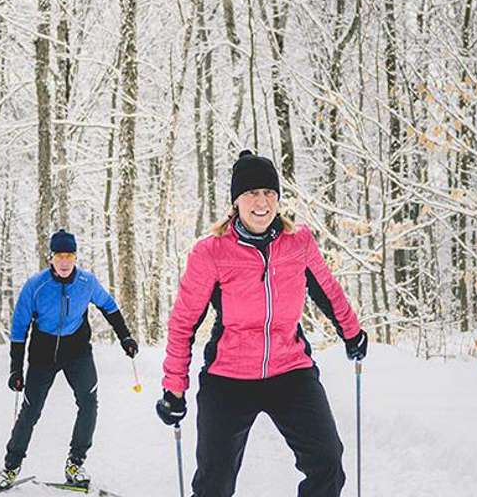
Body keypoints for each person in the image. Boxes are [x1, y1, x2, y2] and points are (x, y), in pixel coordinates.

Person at [154, 149, 368, 497]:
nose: (262, 202)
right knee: (214, 483)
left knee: (328, 463)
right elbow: (184, 323)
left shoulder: (298, 243)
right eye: (252, 193)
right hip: (229, 378)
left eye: (269, 192)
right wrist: (173, 388)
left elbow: (327, 289)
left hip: (290, 370)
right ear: (236, 201)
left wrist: (352, 331)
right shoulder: (212, 252)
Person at [0, 229, 139, 492]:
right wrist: (16, 369)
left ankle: (75, 463)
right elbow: (18, 329)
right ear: (51, 257)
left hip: (77, 350)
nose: (64, 261)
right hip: (43, 354)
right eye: (59, 255)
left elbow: (109, 307)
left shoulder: (86, 282)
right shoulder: (36, 286)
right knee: (30, 411)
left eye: (69, 255)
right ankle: (11, 466)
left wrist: (125, 337)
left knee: (89, 402)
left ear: (75, 257)